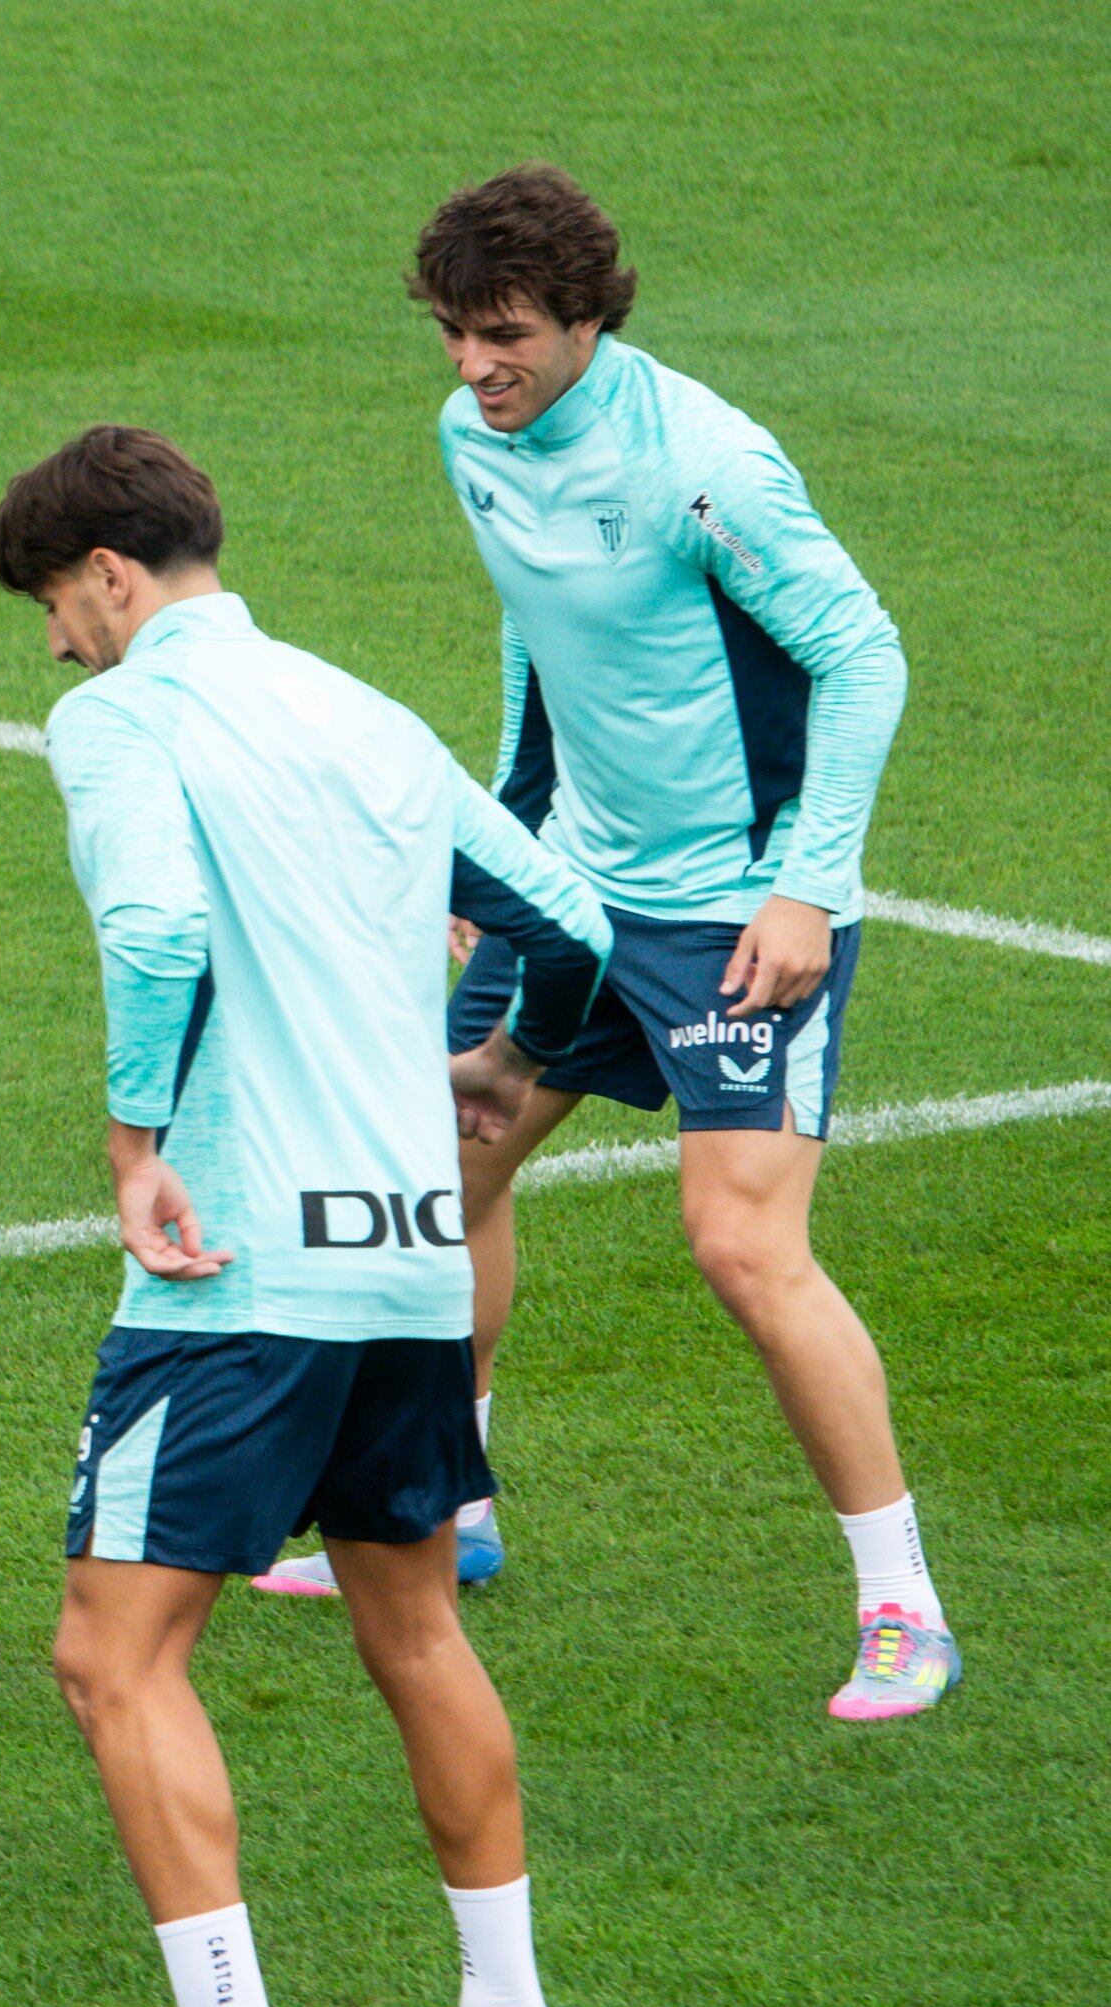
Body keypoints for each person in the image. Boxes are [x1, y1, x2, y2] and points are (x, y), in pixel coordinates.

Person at [0, 428, 611, 2007]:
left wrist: (130, 1139)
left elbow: (157, 926)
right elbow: (560, 918)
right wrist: (494, 1065)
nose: (54, 645)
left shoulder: (120, 718)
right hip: (414, 1253)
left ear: (110, 575)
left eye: (54, 606)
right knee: (412, 1624)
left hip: (240, 1267)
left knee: (112, 1653)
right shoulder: (365, 714)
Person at [260, 169, 954, 1723]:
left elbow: (861, 653)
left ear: (588, 317)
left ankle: (902, 1602)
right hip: (573, 885)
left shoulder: (703, 464)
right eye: (449, 333)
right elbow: (535, 629)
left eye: (501, 334)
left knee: (740, 1245)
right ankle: (458, 1507)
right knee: (445, 1161)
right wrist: (494, 842)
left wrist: (805, 887)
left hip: (733, 906)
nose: (469, 366)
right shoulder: (471, 437)